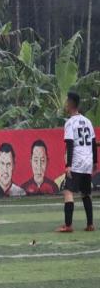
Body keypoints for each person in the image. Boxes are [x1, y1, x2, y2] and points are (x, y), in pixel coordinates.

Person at [56, 92, 97, 232]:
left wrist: (68, 165)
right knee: (86, 193)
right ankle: (90, 224)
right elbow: (92, 143)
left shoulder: (70, 123)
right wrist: (95, 162)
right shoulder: (87, 122)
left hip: (77, 161)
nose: (66, 103)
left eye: (67, 101)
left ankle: (68, 225)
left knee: (68, 191)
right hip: (87, 161)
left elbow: (70, 145)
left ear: (70, 103)